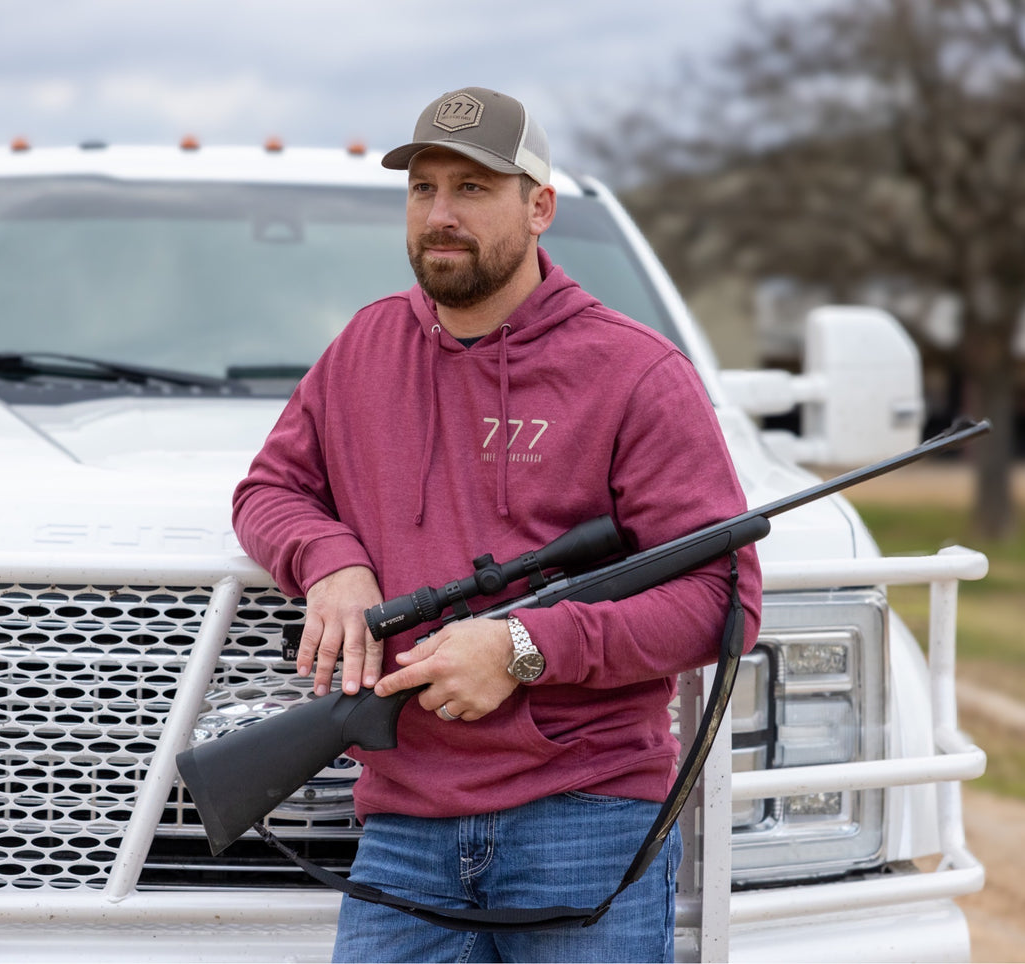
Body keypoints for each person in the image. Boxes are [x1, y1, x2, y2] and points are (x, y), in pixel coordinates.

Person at [231, 86, 762, 963]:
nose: (440, 215)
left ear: (539, 206)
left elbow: (723, 598)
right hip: (402, 827)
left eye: (473, 189)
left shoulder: (635, 373)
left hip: (584, 817)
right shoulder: (362, 349)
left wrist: (525, 648)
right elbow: (269, 488)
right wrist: (328, 559)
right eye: (422, 188)